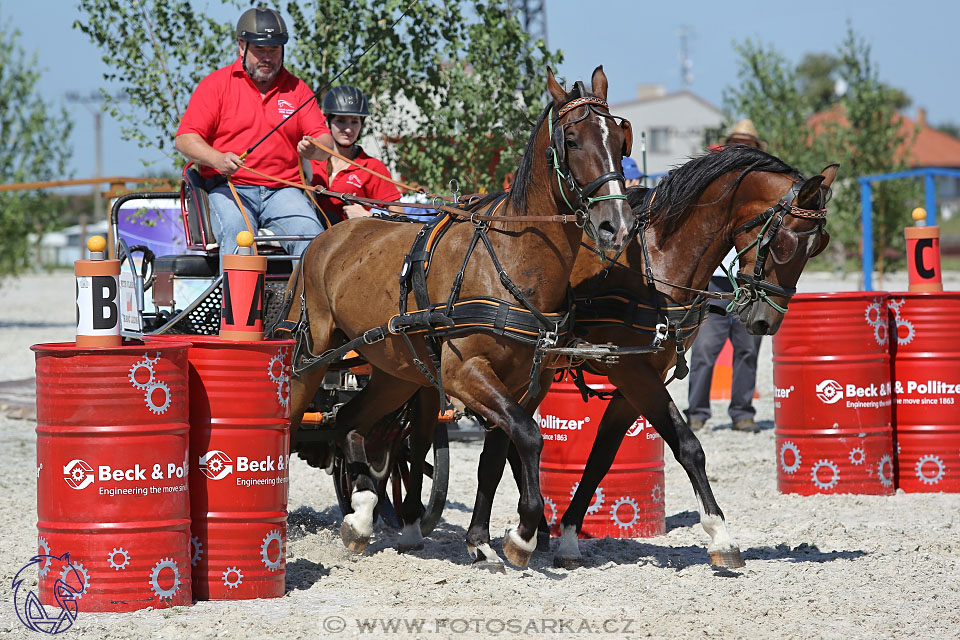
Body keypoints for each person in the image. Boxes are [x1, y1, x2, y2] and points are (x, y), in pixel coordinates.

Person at [175, 7, 334, 257]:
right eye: (260, 49)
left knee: (311, 234)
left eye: (274, 49)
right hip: (229, 187)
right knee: (240, 234)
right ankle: (241, 298)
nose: (267, 57)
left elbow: (326, 142)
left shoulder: (298, 89)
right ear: (242, 46)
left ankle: (301, 298)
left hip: (284, 191)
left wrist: (315, 148)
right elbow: (185, 139)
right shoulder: (216, 85)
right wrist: (218, 159)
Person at [685, 119, 767, 433]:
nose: (741, 151)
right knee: (705, 350)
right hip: (717, 283)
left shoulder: (764, 190)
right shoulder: (717, 186)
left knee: (747, 350)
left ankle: (742, 413)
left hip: (751, 283)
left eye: (746, 146)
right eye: (737, 146)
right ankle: (697, 413)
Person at [309, 85, 403, 220]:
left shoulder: (373, 168)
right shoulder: (311, 159)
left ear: (362, 125)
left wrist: (370, 216)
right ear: (328, 121)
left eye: (354, 122)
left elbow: (401, 218)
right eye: (341, 121)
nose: (348, 129)